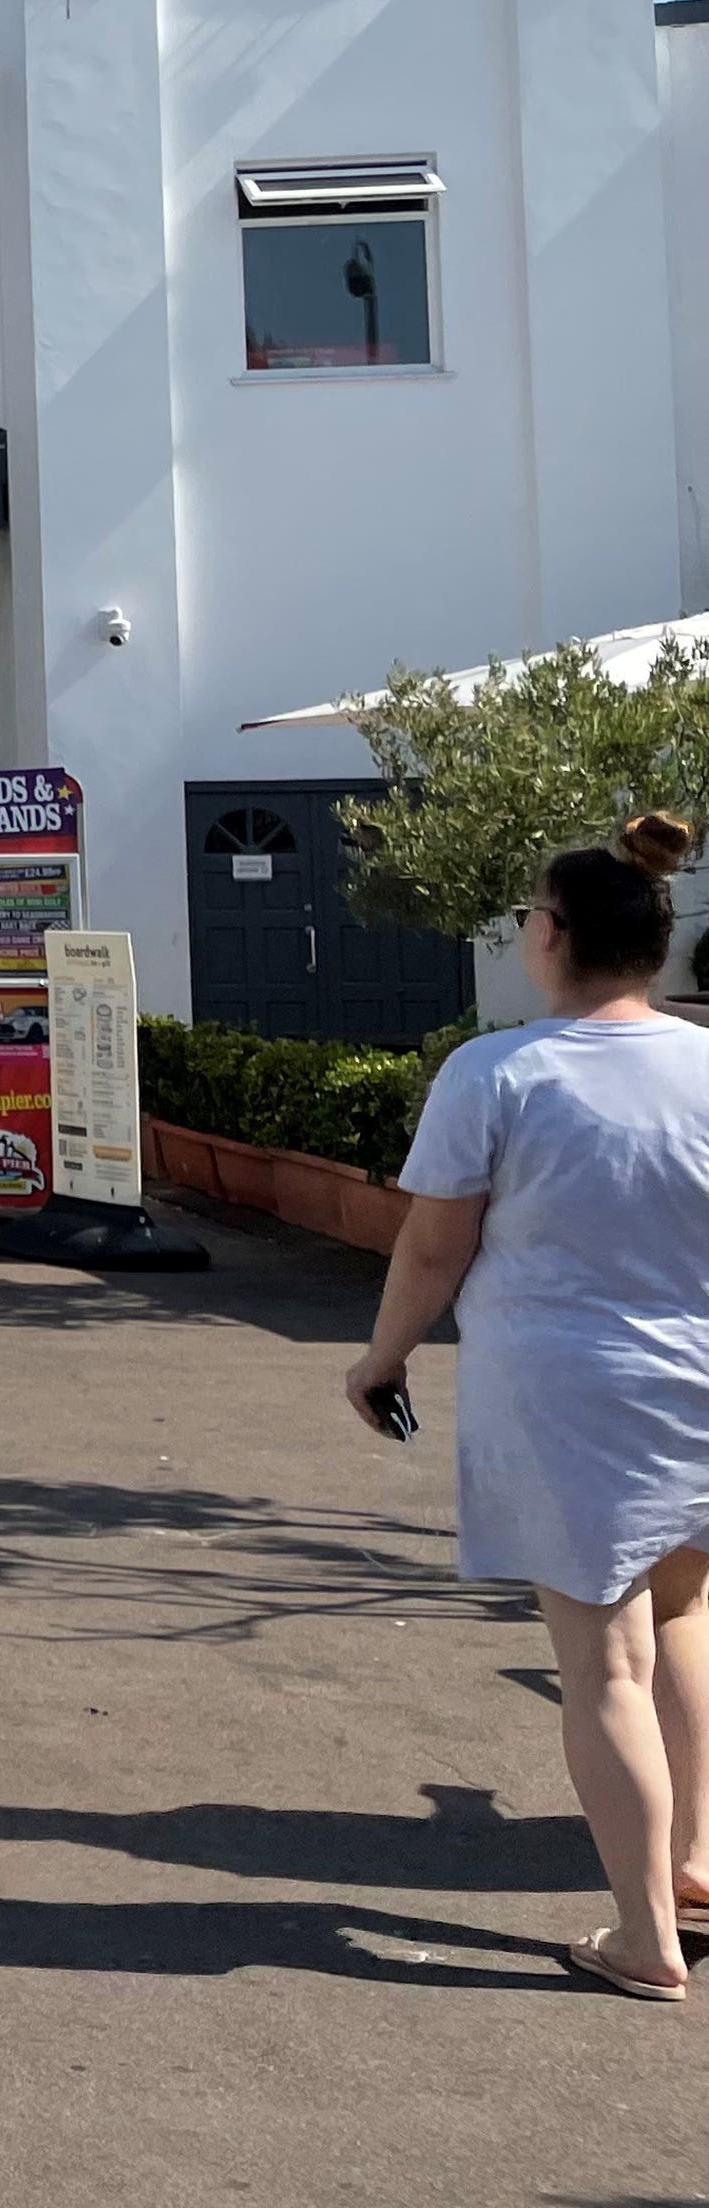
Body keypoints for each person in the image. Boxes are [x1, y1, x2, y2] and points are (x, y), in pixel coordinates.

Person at [350, 813, 709, 2002]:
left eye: (525, 919)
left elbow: (430, 1253)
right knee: (681, 1621)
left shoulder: (497, 1073)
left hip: (570, 1397)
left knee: (602, 1663)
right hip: (700, 1383)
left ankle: (644, 1937)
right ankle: (696, 1862)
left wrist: (380, 1362)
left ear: (550, 937)